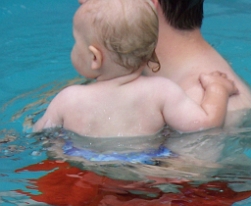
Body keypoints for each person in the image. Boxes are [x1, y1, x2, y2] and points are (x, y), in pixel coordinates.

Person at [34, 0, 236, 139]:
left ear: (95, 58)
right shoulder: (162, 92)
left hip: (81, 168)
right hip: (141, 169)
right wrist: (218, 88)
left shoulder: (68, 98)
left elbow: (39, 135)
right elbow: (205, 124)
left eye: (76, 43)